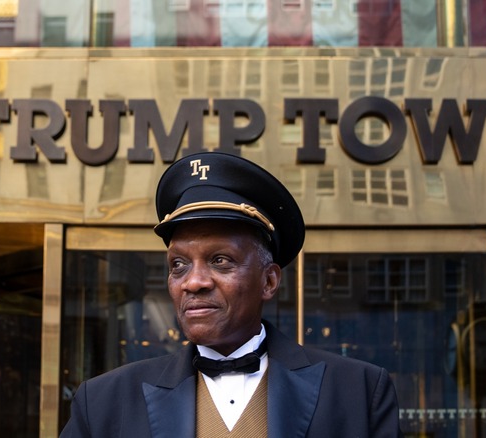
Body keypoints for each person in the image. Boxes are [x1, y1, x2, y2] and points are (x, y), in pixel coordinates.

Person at [60, 152, 402, 437]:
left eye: (220, 260)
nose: (193, 282)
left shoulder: (359, 393)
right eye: (178, 264)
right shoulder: (102, 403)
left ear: (269, 281)